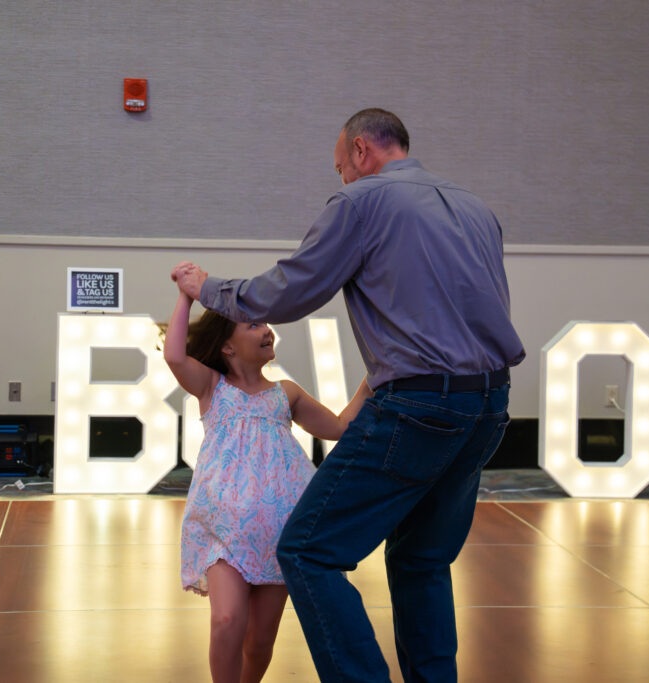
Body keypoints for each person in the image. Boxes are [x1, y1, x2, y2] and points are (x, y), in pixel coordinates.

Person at [172, 108, 525, 682]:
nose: (341, 181)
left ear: (361, 151)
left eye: (341, 168)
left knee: (308, 550)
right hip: (488, 406)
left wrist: (206, 288)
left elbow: (288, 290)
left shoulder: (362, 202)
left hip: (418, 407)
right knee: (422, 560)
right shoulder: (476, 209)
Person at [163, 283, 372, 683]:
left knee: (259, 641)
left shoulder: (285, 395)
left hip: (279, 531)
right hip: (223, 529)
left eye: (265, 323)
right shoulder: (212, 387)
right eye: (253, 324)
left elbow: (340, 427)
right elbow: (174, 354)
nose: (266, 330)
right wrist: (186, 296)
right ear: (226, 346)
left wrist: (372, 379)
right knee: (227, 619)